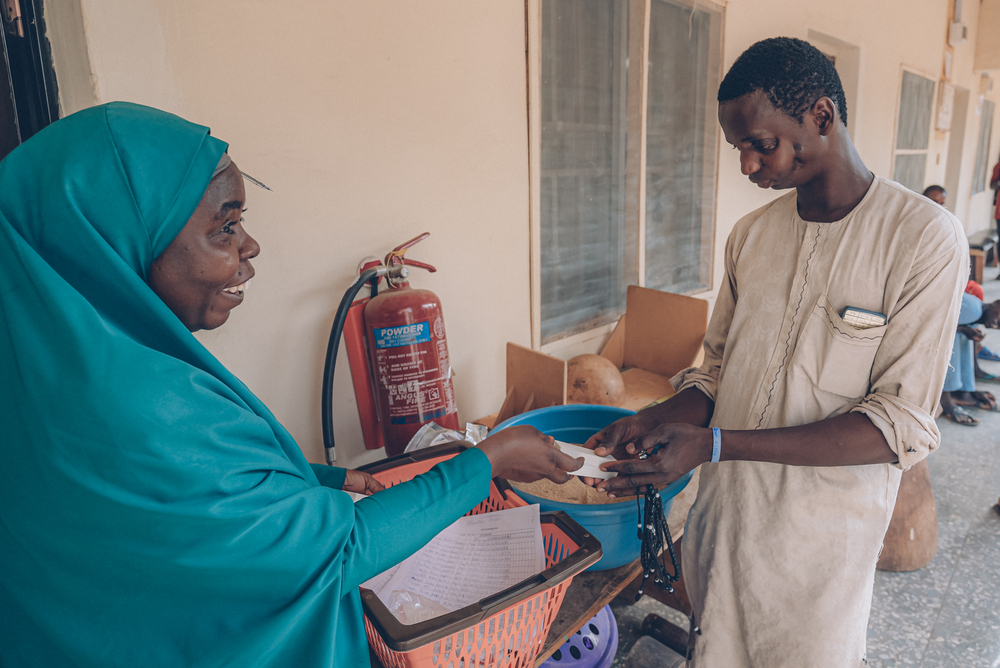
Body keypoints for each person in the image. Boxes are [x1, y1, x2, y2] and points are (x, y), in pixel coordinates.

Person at [0, 102, 583, 668]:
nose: (249, 246)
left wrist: (329, 477)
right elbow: (338, 551)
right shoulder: (144, 408)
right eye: (225, 226)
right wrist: (490, 459)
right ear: (112, 238)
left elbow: (185, 512)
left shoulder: (44, 372)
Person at [582, 38, 967, 666]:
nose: (748, 166)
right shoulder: (752, 237)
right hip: (724, 522)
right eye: (739, 148)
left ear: (821, 116)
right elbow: (714, 377)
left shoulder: (921, 238)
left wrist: (714, 445)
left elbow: (898, 426)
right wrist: (657, 419)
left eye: (762, 144)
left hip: (818, 548)